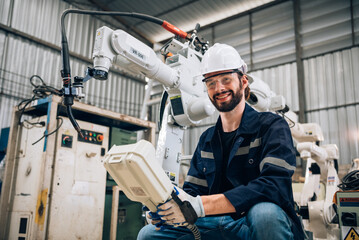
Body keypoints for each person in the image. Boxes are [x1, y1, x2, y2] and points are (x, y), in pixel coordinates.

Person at [137, 43, 305, 240]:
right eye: (211, 83)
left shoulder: (272, 126)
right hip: (215, 222)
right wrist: (166, 208)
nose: (219, 88)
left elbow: (273, 185)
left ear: (243, 82)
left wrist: (199, 206)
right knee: (149, 234)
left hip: (253, 223)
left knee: (265, 214)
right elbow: (193, 191)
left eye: (226, 79)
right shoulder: (207, 139)